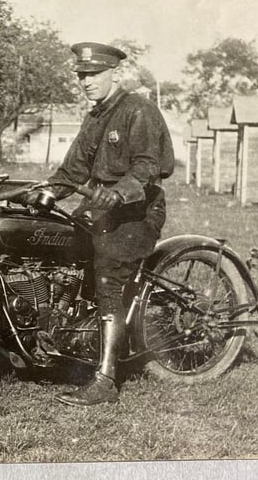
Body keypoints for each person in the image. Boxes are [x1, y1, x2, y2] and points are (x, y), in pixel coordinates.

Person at [38, 42, 175, 406]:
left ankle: (106, 379)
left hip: (137, 212)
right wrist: (42, 193)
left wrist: (119, 193)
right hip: (99, 210)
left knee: (108, 272)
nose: (85, 81)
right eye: (81, 75)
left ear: (115, 73)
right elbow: (71, 171)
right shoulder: (95, 117)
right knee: (54, 249)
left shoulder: (139, 111)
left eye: (93, 74)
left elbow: (147, 167)